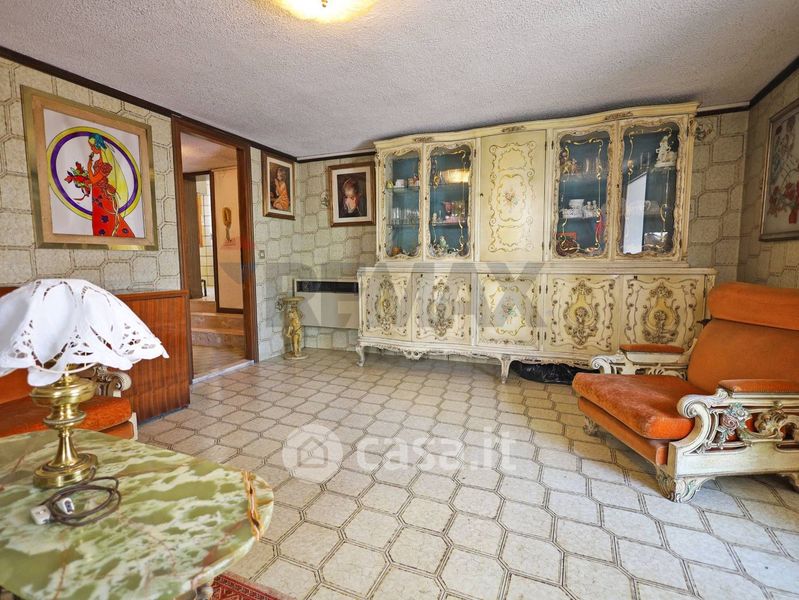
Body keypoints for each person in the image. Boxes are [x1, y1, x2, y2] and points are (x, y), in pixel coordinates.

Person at [64, 133, 135, 238]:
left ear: (98, 146)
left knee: (105, 218)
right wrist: (83, 180)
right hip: (97, 194)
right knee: (99, 217)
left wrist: (89, 166)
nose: (91, 149)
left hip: (103, 195)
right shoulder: (98, 162)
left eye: (92, 146)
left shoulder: (106, 165)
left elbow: (94, 179)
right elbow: (94, 180)